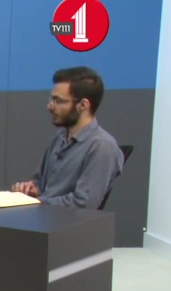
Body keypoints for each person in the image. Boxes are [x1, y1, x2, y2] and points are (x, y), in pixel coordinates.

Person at [11, 67, 123, 209]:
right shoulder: (59, 139)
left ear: (83, 105)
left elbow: (83, 203)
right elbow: (40, 183)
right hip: (42, 216)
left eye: (58, 101)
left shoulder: (102, 146)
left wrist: (36, 203)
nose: (50, 106)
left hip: (63, 221)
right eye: (51, 99)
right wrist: (32, 190)